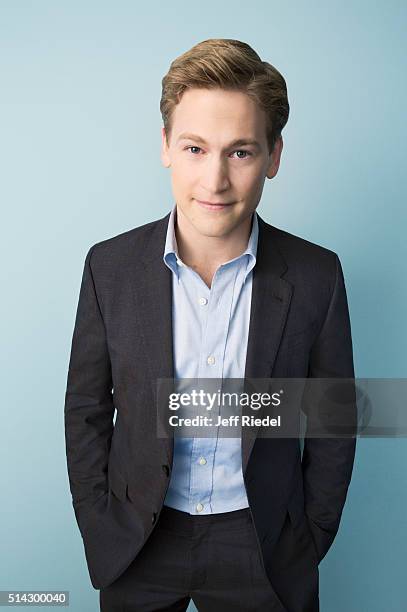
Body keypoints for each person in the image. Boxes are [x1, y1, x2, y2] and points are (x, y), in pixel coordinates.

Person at [64, 38, 356, 612]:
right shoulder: (109, 266)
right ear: (167, 146)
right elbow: (86, 409)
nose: (215, 180)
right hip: (139, 543)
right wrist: (101, 522)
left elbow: (333, 419)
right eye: (196, 148)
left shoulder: (318, 275)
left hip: (264, 546)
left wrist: (311, 536)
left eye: (241, 152)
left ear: (274, 156)